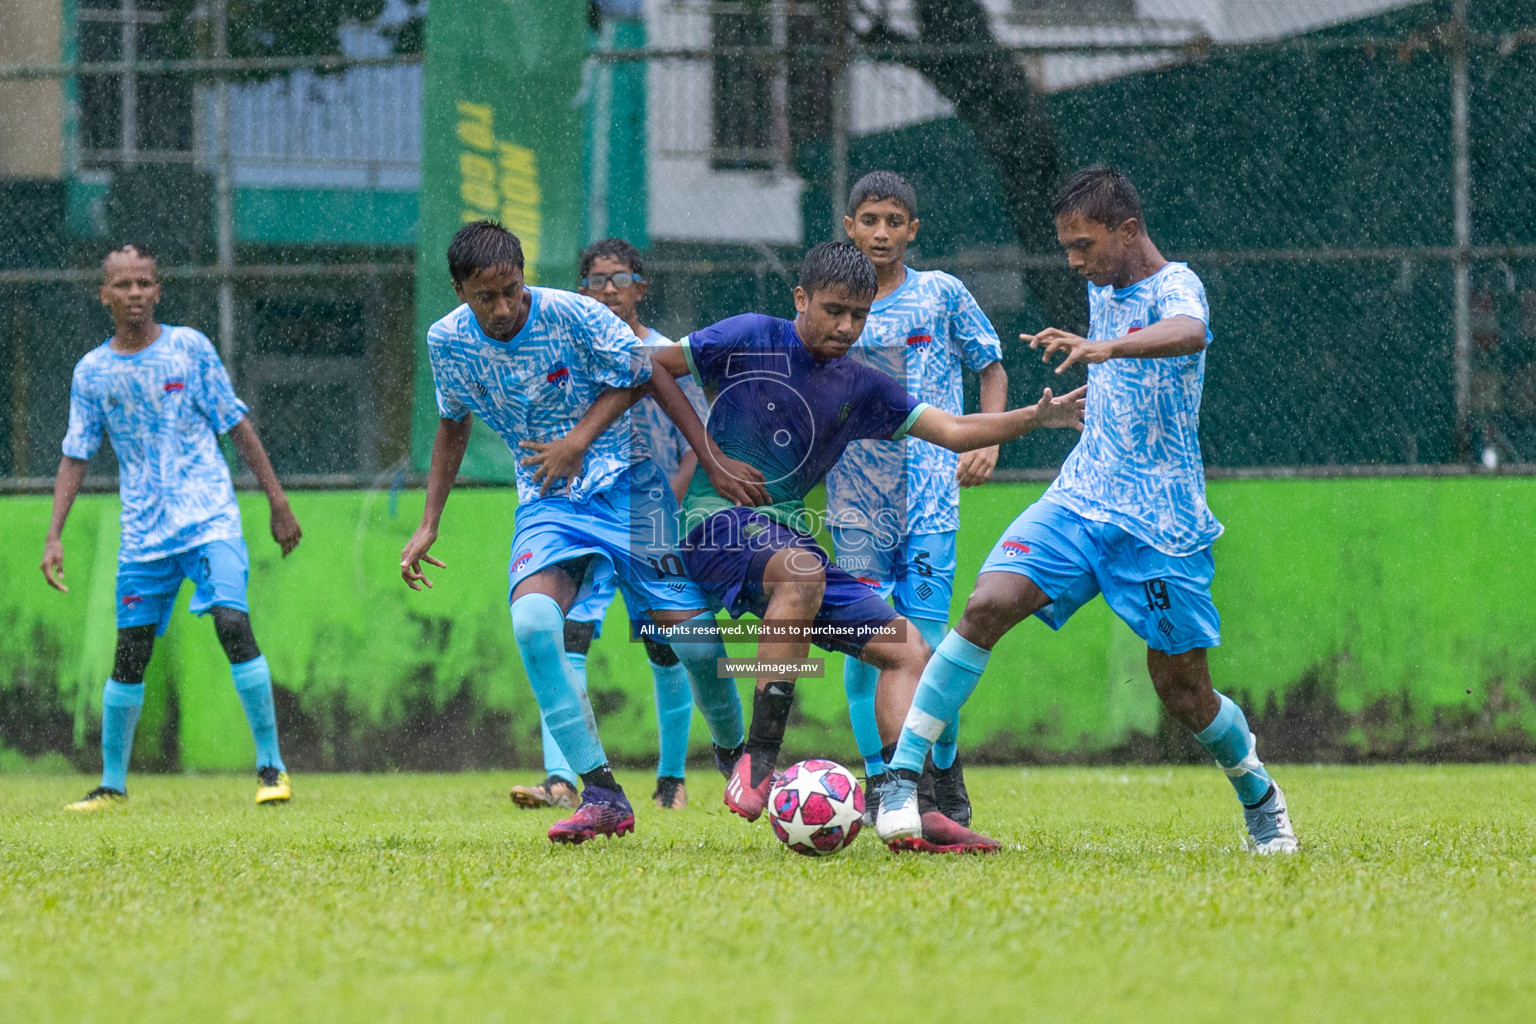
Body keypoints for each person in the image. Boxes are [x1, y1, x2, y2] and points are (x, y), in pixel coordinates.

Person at [874, 166, 1300, 855]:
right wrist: (1083, 402)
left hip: (1161, 522)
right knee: (988, 605)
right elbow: (1124, 387)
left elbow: (1189, 331)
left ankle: (1259, 793)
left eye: (1085, 245)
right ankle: (900, 780)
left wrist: (1109, 347)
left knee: (1185, 693)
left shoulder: (1174, 285)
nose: (1075, 261)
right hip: (1081, 497)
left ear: (1128, 231)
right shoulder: (1104, 284)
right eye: (1067, 246)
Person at [651, 241, 1084, 853]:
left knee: (910, 649)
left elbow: (955, 432)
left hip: (785, 544)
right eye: (832, 311)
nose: (846, 327)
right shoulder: (749, 336)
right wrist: (707, 454)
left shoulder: (861, 385)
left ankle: (909, 806)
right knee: (800, 574)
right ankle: (759, 758)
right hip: (713, 522)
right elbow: (652, 365)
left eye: (858, 315)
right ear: (800, 299)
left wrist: (1035, 419)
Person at [401, 220, 760, 844]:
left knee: (697, 648)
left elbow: (646, 374)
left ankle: (740, 762)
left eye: (513, 289)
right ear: (460, 290)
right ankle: (599, 793)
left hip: (634, 493)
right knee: (535, 624)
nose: (505, 307)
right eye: (487, 297)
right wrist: (429, 522)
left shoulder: (574, 315)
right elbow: (452, 424)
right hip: (550, 502)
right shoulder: (447, 341)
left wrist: (703, 460)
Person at [44, 244, 302, 811]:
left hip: (210, 517)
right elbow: (75, 454)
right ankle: (112, 784)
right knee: (130, 652)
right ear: (103, 294)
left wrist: (277, 503)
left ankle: (271, 769)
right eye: (123, 284)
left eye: (145, 283)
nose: (135, 293)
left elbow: (236, 424)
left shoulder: (189, 349)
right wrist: (54, 534)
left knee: (233, 624)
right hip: (144, 533)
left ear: (158, 290)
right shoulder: (92, 372)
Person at [827, 170, 1007, 828]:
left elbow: (989, 362)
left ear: (912, 230)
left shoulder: (941, 295)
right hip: (855, 503)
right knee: (865, 643)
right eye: (869, 220)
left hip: (931, 499)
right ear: (849, 227)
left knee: (929, 645)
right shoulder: (835, 302)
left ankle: (944, 774)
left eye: (893, 221)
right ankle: (879, 782)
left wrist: (984, 441)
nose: (880, 232)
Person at [509, 237, 711, 812]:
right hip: (582, 510)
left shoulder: (666, 353)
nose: (607, 291)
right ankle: (561, 777)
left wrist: (670, 499)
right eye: (595, 281)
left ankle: (670, 780)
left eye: (619, 279)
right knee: (566, 632)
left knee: (667, 643)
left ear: (640, 288)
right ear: (581, 291)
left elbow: (693, 435)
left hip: (647, 511)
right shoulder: (570, 351)